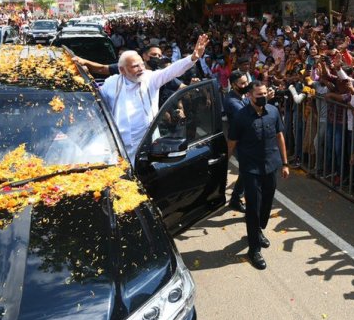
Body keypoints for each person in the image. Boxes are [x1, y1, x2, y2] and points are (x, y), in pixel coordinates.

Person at [96, 33, 209, 164]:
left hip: (146, 146)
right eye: (135, 66)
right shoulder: (111, 84)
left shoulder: (150, 78)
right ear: (122, 70)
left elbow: (172, 70)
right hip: (118, 146)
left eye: (141, 64)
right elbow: (98, 108)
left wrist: (193, 57)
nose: (141, 69)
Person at [228, 80, 290, 270]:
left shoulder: (272, 111)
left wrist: (285, 163)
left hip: (271, 165)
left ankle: (258, 230)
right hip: (250, 168)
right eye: (258, 95)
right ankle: (253, 248)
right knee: (253, 207)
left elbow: (279, 136)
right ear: (249, 96)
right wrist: (222, 166)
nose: (263, 97)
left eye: (264, 94)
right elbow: (231, 143)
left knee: (267, 202)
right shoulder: (240, 117)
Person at [223, 70, 250, 212]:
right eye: (242, 83)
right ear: (234, 85)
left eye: (246, 81)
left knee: (248, 170)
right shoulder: (232, 101)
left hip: (246, 138)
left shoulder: (241, 96)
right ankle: (236, 198)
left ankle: (238, 196)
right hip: (239, 140)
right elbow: (248, 114)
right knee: (247, 170)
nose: (246, 85)